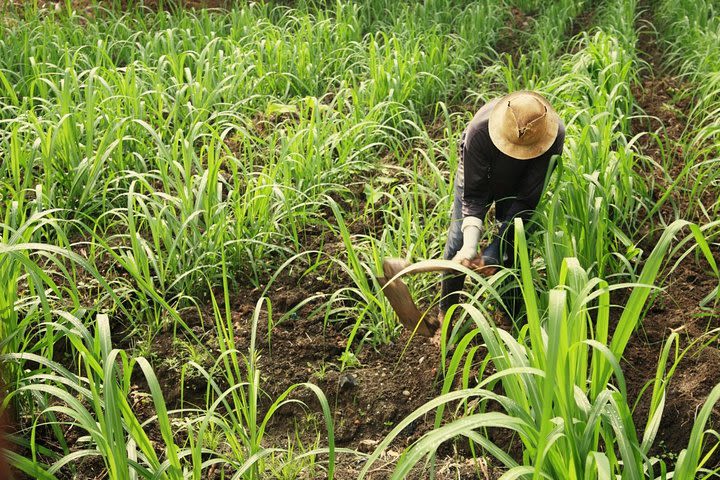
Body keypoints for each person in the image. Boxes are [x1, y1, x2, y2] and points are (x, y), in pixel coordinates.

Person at [438, 90, 565, 330]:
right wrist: (470, 246)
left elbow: (527, 199)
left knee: (511, 251)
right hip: (480, 175)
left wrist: (496, 249)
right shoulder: (479, 130)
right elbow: (473, 195)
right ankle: (446, 316)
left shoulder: (553, 134)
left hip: (518, 186)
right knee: (456, 246)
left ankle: (511, 317)